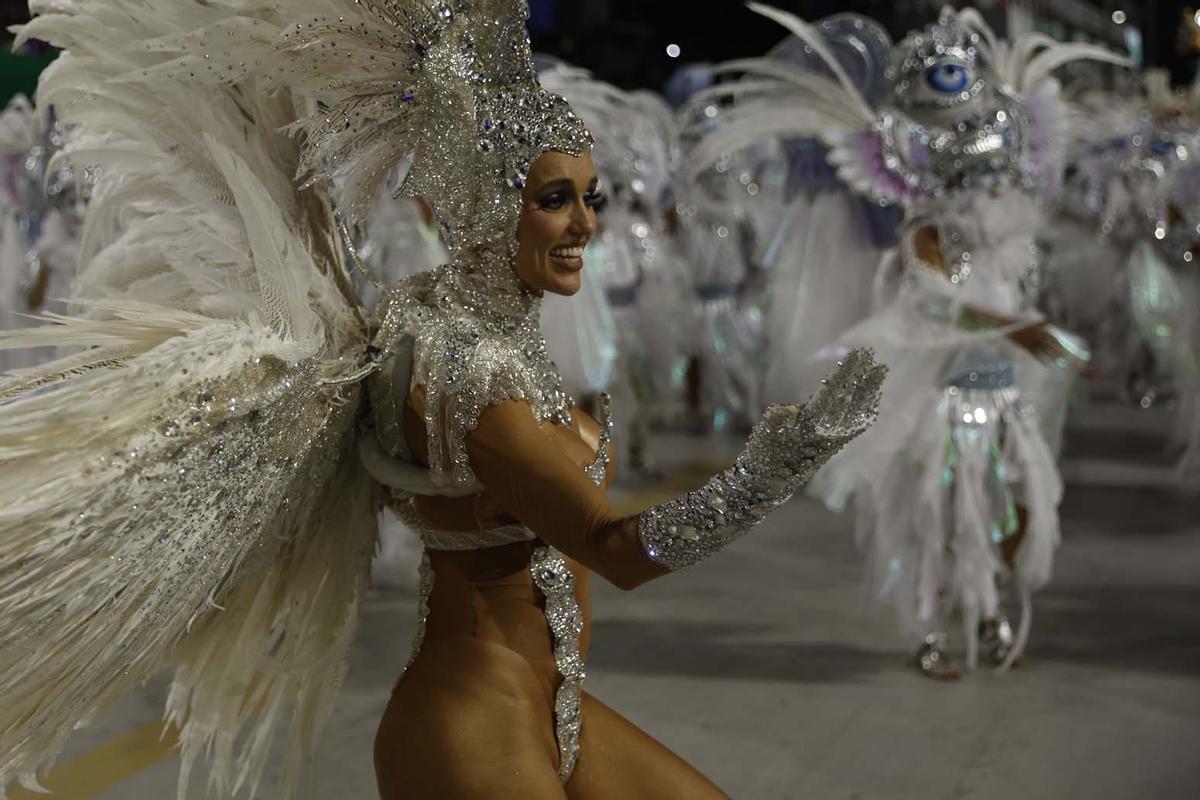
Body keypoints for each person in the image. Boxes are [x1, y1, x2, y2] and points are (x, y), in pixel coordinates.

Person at [0, 1, 884, 797]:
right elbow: (614, 547)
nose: (585, 225)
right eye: (554, 200)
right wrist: (770, 472)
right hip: (470, 721)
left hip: (553, 703)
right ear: (484, 207)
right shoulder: (464, 373)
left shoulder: (482, 330)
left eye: (590, 198)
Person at [688, 4, 1124, 678]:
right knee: (939, 518)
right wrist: (1021, 329)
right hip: (943, 398)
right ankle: (931, 623)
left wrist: (1045, 341)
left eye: (995, 172)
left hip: (1005, 394)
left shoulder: (1011, 236)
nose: (990, 186)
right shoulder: (925, 232)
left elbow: (1021, 299)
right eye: (974, 174)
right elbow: (939, 306)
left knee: (1012, 510)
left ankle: (989, 609)